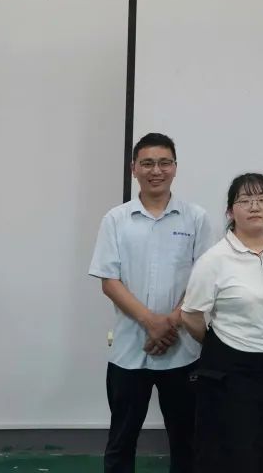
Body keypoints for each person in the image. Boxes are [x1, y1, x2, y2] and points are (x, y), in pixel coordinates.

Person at [88, 132, 214, 473]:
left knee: (186, 442)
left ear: (175, 167)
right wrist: (151, 322)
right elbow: (109, 282)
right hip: (130, 349)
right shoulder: (116, 219)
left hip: (183, 350)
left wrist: (169, 322)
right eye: (147, 163)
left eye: (163, 163)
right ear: (134, 169)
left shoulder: (196, 218)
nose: (156, 171)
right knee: (121, 440)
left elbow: (203, 280)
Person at [181, 173, 263, 473]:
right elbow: (191, 315)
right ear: (230, 212)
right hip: (230, 371)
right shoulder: (214, 259)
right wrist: (218, 342)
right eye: (245, 200)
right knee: (234, 452)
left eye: (262, 199)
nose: (254, 206)